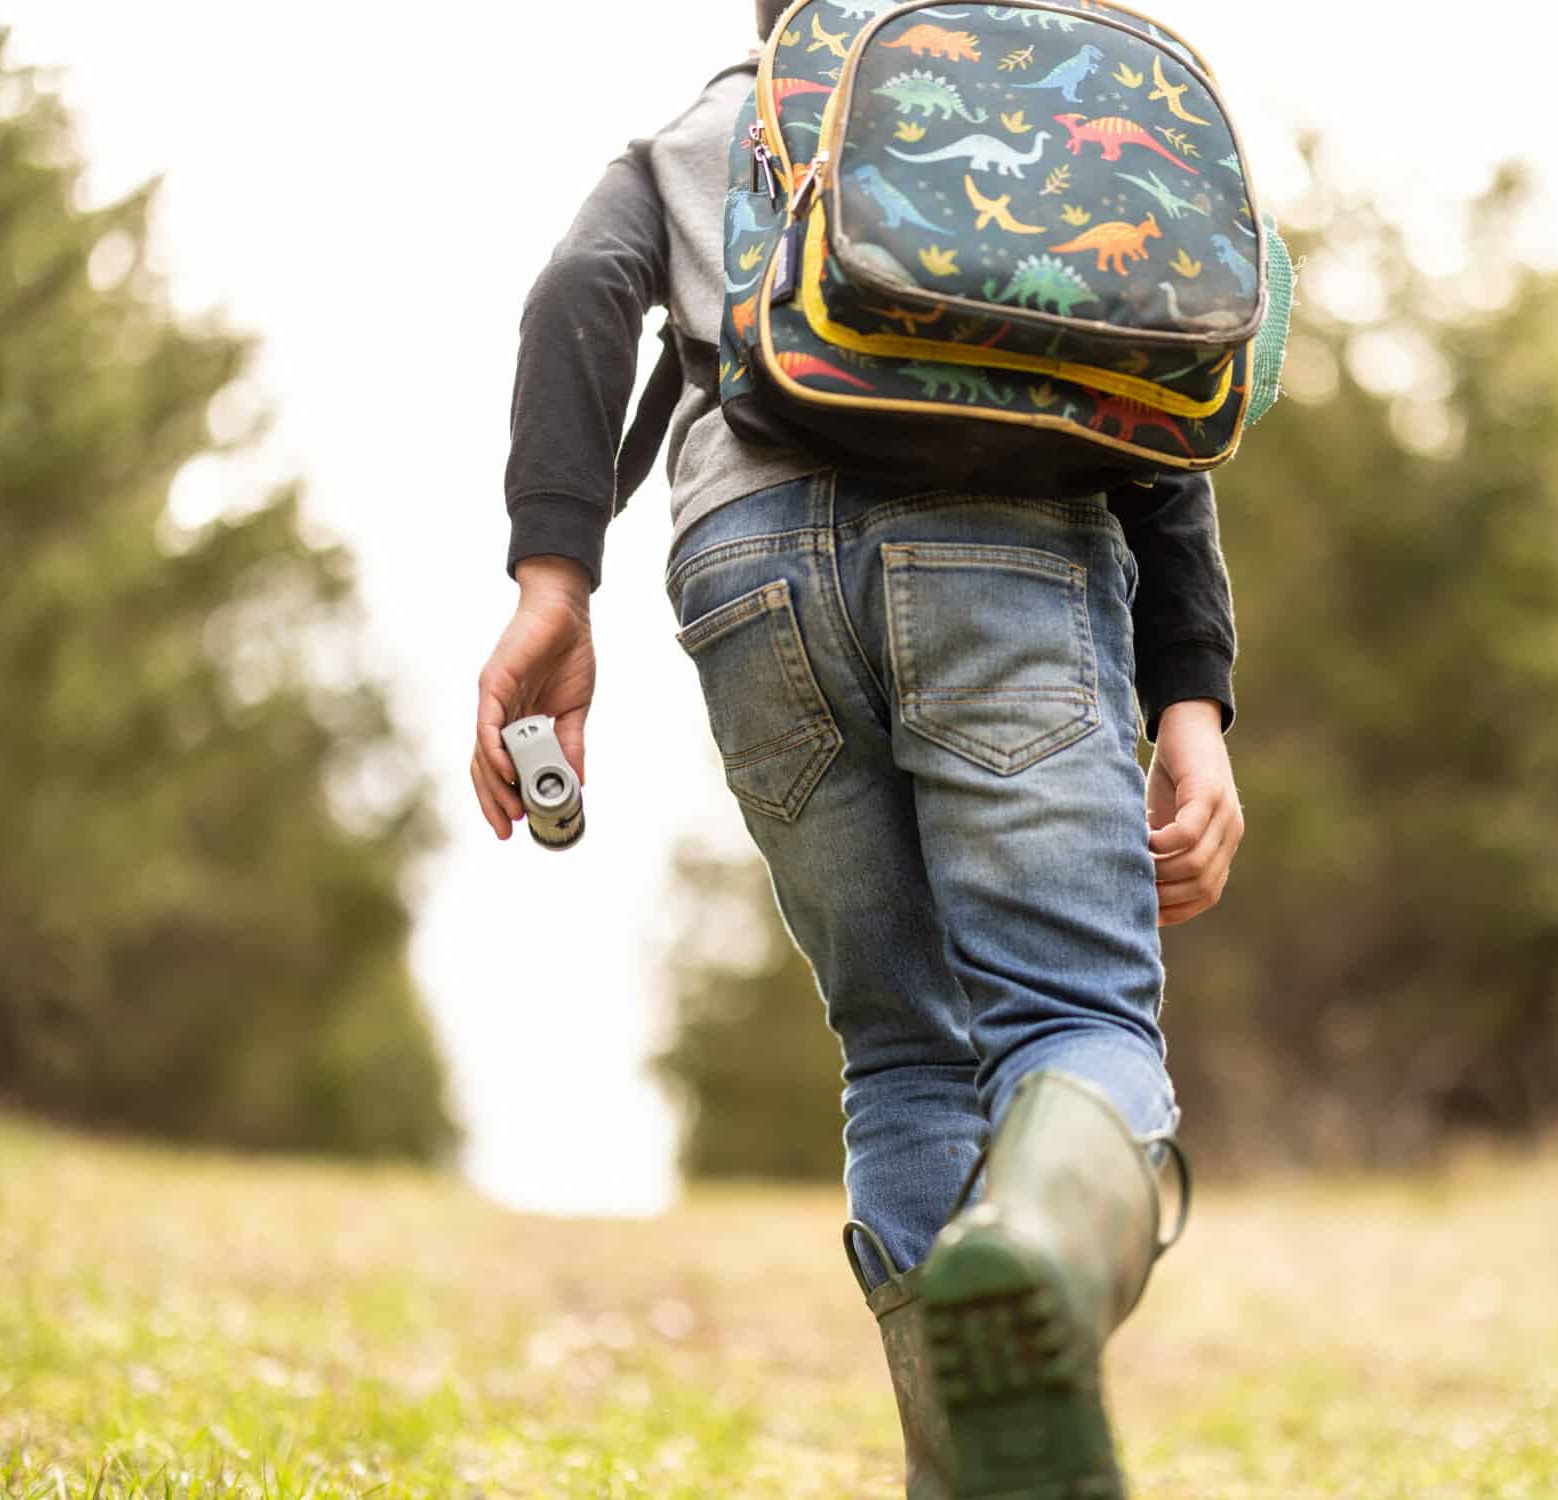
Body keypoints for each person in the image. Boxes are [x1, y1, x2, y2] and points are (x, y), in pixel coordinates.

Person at [469, 3, 1245, 1494]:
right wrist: (1191, 702)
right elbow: (1153, 391)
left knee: (901, 1045)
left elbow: (579, 289)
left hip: (744, 569)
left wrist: (553, 583)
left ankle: (965, 1470)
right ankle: (1031, 1257)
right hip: (1010, 558)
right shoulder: (1052, 94)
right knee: (1077, 1021)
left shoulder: (724, 116)